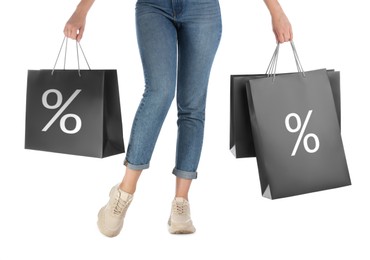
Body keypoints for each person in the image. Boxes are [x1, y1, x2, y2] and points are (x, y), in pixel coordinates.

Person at [64, 0, 293, 237]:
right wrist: (81, 11)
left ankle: (180, 204)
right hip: (154, 6)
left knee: (192, 106)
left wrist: (276, 11)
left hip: (202, 9)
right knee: (159, 92)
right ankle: (124, 192)